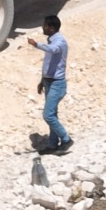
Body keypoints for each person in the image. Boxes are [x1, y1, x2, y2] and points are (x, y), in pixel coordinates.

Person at [28, 15, 72, 154]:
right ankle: (53, 143)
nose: (43, 27)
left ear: (52, 28)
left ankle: (66, 139)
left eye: (45, 25)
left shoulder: (59, 42)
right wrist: (42, 81)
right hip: (48, 82)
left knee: (48, 115)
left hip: (57, 84)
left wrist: (36, 45)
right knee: (53, 114)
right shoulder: (52, 40)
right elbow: (49, 64)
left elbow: (52, 50)